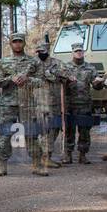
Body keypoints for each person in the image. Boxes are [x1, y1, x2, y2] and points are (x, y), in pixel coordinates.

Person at [0, 33, 34, 176]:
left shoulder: (33, 62)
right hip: (8, 103)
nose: (18, 44)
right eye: (15, 42)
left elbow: (42, 80)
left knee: (32, 132)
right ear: (10, 44)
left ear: (24, 43)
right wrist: (10, 79)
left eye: (20, 41)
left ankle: (37, 162)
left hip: (27, 103)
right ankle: (2, 165)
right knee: (5, 133)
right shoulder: (3, 62)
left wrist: (27, 79)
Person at [27, 40, 65, 175]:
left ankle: (48, 156)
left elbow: (64, 76)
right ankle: (42, 157)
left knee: (54, 129)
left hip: (55, 100)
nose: (40, 54)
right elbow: (26, 78)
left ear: (47, 51)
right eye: (38, 52)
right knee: (43, 129)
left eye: (42, 51)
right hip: (38, 101)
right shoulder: (32, 63)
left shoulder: (57, 63)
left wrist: (52, 75)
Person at [61, 42, 100, 164]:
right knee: (69, 130)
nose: (79, 53)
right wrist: (66, 80)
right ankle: (68, 154)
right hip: (69, 104)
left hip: (84, 104)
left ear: (83, 53)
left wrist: (99, 82)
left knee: (84, 131)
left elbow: (96, 85)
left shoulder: (90, 68)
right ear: (72, 53)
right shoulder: (66, 67)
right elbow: (59, 82)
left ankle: (83, 154)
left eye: (80, 51)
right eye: (76, 51)